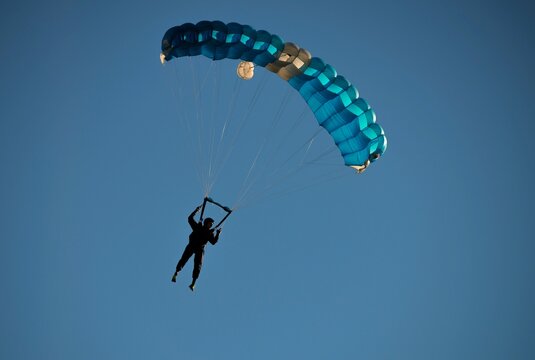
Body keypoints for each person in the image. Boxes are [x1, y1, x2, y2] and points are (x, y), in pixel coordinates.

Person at [171, 205, 221, 291]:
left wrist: (217, 233)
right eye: (210, 223)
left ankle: (193, 283)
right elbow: (190, 218)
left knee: (198, 265)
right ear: (206, 223)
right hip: (192, 245)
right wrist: (196, 210)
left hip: (199, 249)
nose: (211, 225)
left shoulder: (209, 233)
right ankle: (176, 273)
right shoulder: (198, 227)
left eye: (212, 224)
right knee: (184, 259)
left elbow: (213, 242)